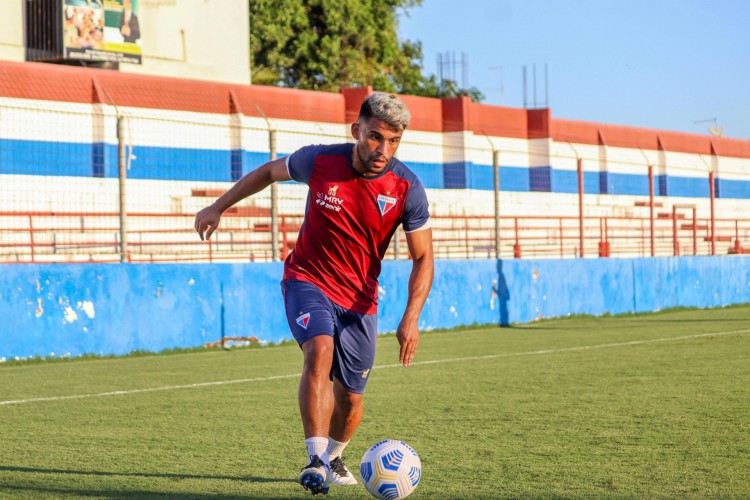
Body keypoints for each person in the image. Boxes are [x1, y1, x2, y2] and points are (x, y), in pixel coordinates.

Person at [194, 92, 434, 495]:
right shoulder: (320, 160)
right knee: (319, 349)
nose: (383, 149)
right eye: (376, 137)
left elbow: (423, 257)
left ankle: (335, 454)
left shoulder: (407, 187)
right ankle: (316, 459)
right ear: (357, 130)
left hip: (359, 300)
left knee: (352, 400)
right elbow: (270, 172)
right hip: (307, 278)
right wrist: (219, 206)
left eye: (394, 141)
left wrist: (411, 317)